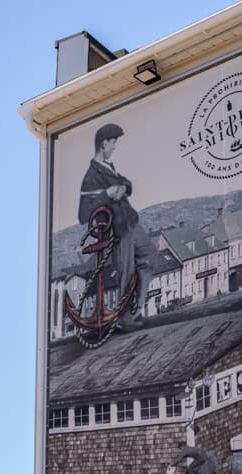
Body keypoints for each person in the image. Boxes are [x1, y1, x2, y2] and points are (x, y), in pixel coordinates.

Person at [78, 123, 155, 330]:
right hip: (118, 230)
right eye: (113, 143)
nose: (115, 147)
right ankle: (124, 319)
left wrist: (124, 187)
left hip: (130, 222)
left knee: (149, 257)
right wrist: (107, 195)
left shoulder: (108, 167)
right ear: (104, 144)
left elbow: (126, 183)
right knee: (126, 272)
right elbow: (83, 215)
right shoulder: (91, 176)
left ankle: (136, 309)